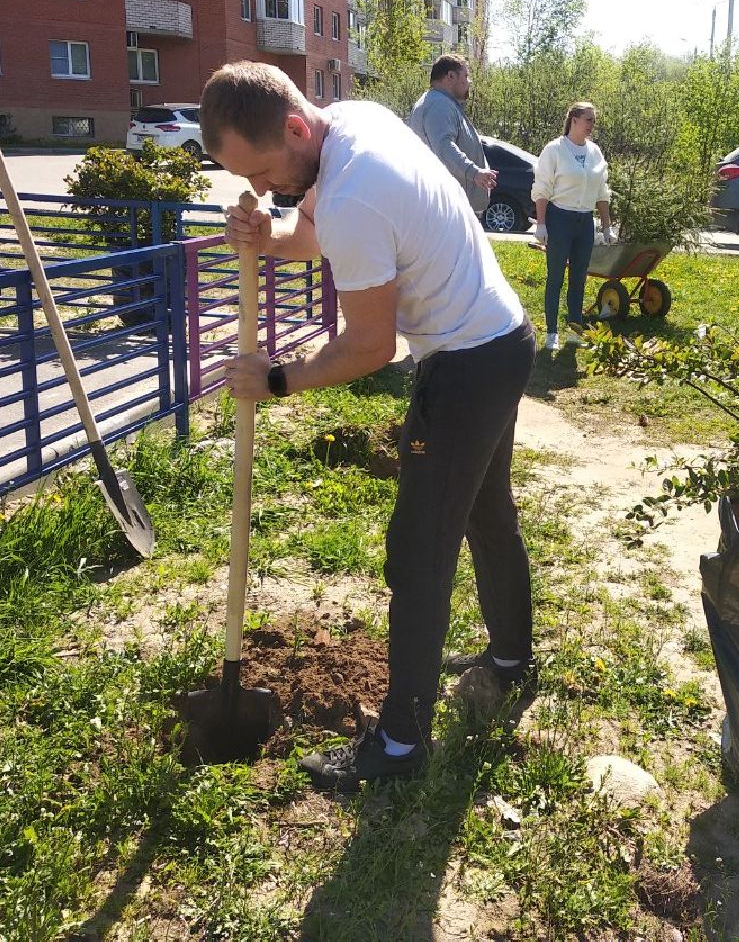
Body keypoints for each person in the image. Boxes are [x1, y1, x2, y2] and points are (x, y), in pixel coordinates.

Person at [200, 61, 537, 793]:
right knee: (485, 511)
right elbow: (316, 233)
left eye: (264, 174)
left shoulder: (354, 188)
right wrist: (269, 229)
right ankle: (512, 659)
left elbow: (369, 347)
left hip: (469, 363)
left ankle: (400, 743)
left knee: (419, 552)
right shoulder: (351, 124)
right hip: (502, 335)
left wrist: (278, 378)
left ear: (294, 127)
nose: (268, 189)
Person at [531, 101, 613, 352]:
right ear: (574, 119)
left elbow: (602, 191)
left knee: (579, 276)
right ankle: (552, 332)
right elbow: (542, 188)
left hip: (584, 221)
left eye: (593, 121)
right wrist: (542, 224)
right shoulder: (555, 150)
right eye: (588, 120)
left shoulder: (595, 152)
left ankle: (575, 329)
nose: (591, 125)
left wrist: (606, 226)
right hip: (559, 219)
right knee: (555, 276)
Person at [407, 53, 497, 216]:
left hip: (450, 207)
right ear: (450, 76)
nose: (469, 82)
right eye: (466, 76)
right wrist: (474, 172)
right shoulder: (439, 104)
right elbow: (443, 146)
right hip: (448, 209)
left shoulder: (440, 102)